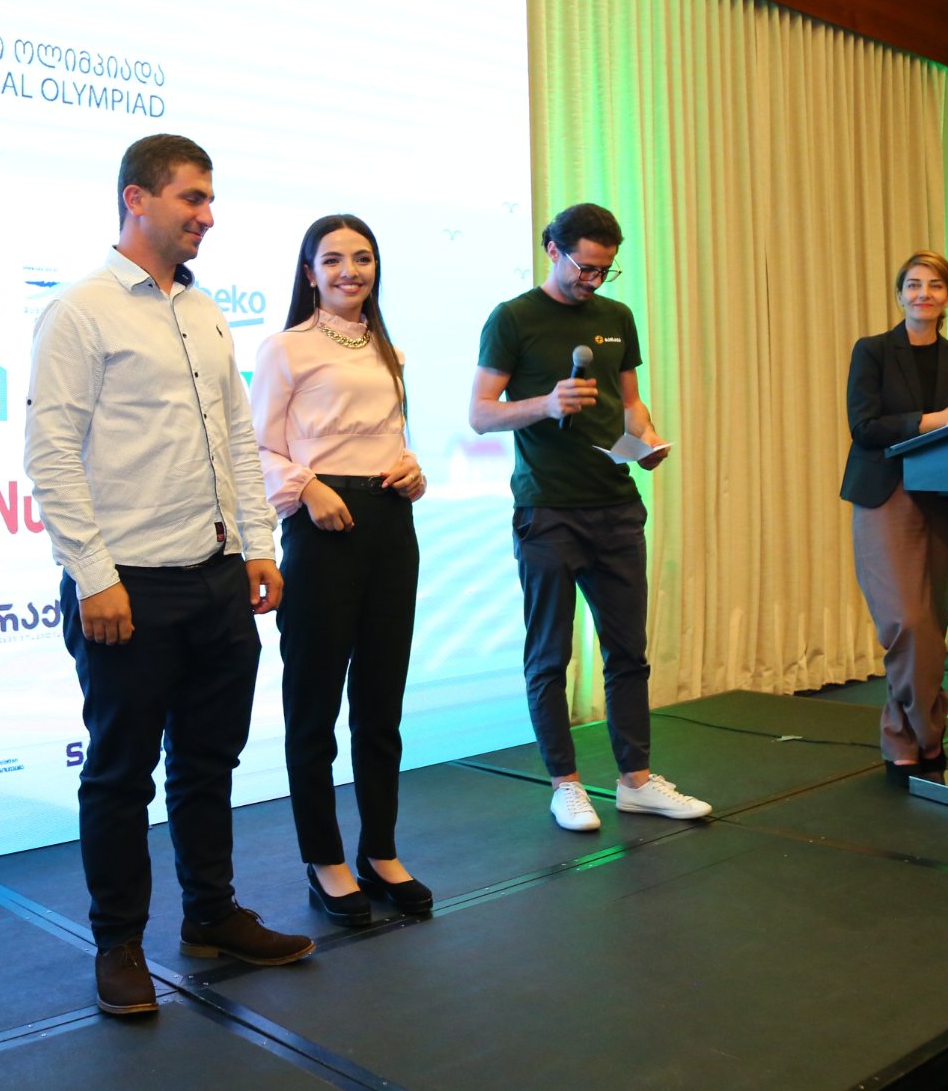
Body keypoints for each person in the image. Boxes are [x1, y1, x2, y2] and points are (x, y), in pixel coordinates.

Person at [24, 133, 312, 1019]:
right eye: (192, 197)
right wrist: (93, 575)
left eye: (210, 199)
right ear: (136, 199)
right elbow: (51, 454)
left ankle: (211, 915)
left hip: (217, 576)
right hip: (127, 585)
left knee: (208, 760)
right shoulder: (79, 310)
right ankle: (118, 943)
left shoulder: (205, 311)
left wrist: (258, 546)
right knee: (120, 774)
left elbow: (235, 440)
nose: (207, 216)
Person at [470, 202, 711, 832]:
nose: (594, 280)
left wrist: (648, 439)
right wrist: (546, 404)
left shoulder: (615, 317)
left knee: (629, 652)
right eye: (584, 267)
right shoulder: (512, 318)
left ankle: (636, 782)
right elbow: (481, 413)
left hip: (616, 506)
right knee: (550, 655)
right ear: (553, 250)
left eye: (605, 269)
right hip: (548, 509)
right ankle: (566, 785)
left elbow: (631, 402)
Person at [251, 215, 431, 927]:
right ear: (309, 273)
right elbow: (255, 447)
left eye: (362, 258)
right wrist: (305, 487)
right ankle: (324, 860)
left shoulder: (390, 351)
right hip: (322, 530)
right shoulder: (285, 348)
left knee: (382, 704)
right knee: (314, 706)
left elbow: (390, 440)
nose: (349, 271)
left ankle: (380, 851)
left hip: (391, 526)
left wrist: (412, 470)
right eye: (332, 260)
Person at [840, 250, 948, 783]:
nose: (924, 293)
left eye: (935, 286)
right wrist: (932, 419)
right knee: (905, 621)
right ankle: (927, 733)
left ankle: (904, 739)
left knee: (931, 627)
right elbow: (864, 427)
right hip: (887, 493)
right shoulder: (873, 350)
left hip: (944, 496)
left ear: (947, 298)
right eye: (914, 285)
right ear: (900, 295)